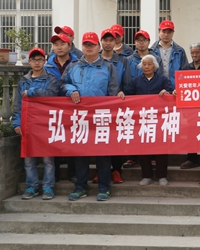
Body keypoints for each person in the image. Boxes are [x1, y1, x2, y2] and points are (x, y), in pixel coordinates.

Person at [61, 31, 120, 202]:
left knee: (103, 153)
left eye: (92, 45)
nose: (89, 48)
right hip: (80, 116)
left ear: (98, 47)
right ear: (82, 46)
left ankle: (104, 188)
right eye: (86, 45)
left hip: (101, 116)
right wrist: (71, 90)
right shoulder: (73, 66)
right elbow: (63, 84)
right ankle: (80, 187)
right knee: (81, 153)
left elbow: (113, 90)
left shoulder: (108, 67)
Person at [13, 47, 60, 200]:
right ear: (29, 61)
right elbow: (18, 104)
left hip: (46, 124)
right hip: (28, 124)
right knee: (29, 158)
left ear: (45, 61)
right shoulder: (23, 81)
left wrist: (32, 92)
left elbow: (51, 95)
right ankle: (32, 186)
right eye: (34, 60)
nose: (37, 62)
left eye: (40, 59)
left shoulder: (51, 79)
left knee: (48, 158)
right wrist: (16, 123)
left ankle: (48, 187)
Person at [122, 55, 173, 186]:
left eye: (149, 64)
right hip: (142, 120)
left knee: (161, 148)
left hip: (160, 120)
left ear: (155, 66)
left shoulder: (162, 79)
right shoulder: (136, 81)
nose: (146, 66)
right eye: (144, 64)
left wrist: (167, 92)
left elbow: (172, 91)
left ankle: (162, 176)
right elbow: (127, 94)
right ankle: (146, 175)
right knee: (143, 148)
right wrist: (121, 93)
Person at [121, 30, 163, 170]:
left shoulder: (157, 58)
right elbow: (126, 80)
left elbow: (160, 78)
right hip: (134, 101)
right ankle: (133, 158)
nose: (141, 43)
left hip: (154, 103)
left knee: (153, 129)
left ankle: (153, 157)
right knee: (135, 130)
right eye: (138, 40)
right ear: (135, 43)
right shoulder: (128, 60)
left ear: (148, 42)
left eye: (144, 40)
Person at [44, 32, 79, 182]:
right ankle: (55, 173)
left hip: (72, 105)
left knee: (72, 139)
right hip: (53, 107)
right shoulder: (47, 65)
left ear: (69, 46)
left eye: (62, 44)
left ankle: (72, 173)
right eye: (56, 44)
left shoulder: (78, 63)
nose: (59, 47)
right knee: (55, 139)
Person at [97, 28, 128, 184]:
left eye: (111, 40)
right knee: (100, 138)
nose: (108, 43)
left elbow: (127, 83)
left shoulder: (123, 60)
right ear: (101, 42)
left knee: (115, 139)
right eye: (105, 40)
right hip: (98, 106)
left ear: (115, 41)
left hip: (117, 105)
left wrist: (122, 94)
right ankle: (101, 172)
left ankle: (116, 170)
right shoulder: (94, 59)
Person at [179, 42, 200, 170]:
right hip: (190, 108)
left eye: (197, 52)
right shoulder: (185, 68)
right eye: (192, 52)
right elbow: (180, 84)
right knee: (191, 132)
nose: (194, 55)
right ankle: (192, 159)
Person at [150, 20, 188, 89]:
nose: (166, 35)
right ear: (159, 32)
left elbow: (185, 72)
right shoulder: (152, 51)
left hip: (175, 89)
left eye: (169, 32)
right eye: (164, 31)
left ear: (173, 33)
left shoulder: (180, 51)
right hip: (156, 89)